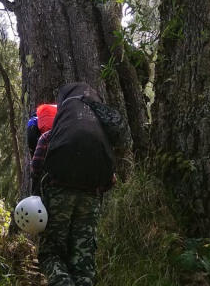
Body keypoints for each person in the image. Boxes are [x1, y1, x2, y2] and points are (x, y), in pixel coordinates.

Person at [30, 82, 130, 286]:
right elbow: (111, 179)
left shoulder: (53, 134)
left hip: (59, 192)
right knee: (84, 261)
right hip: (90, 198)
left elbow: (36, 167)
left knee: (51, 254)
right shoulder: (100, 133)